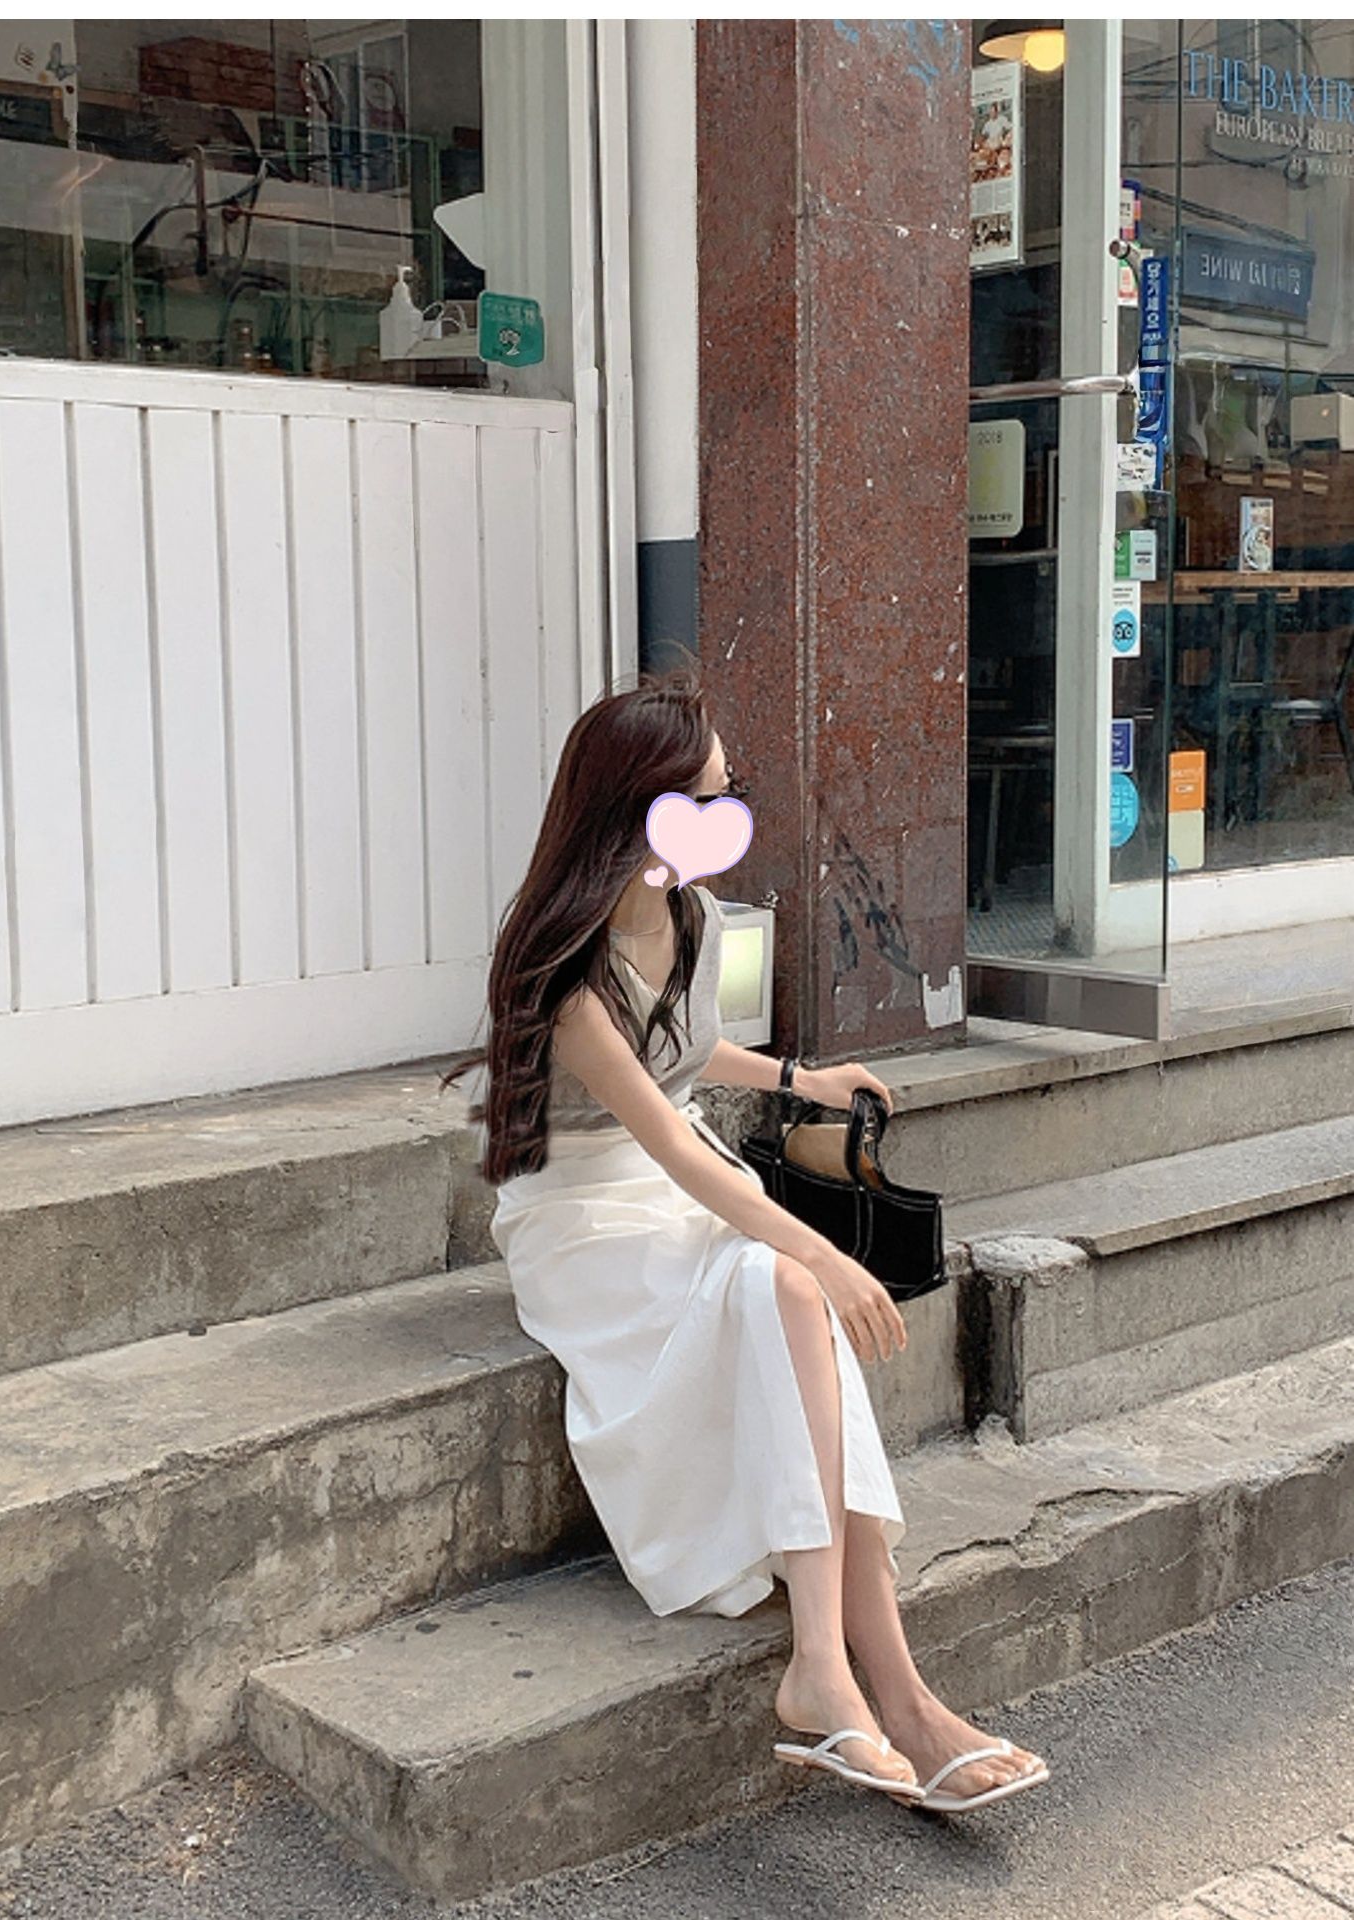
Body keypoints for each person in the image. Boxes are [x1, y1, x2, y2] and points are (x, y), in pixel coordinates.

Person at [439, 663, 1049, 1814]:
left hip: (674, 1189)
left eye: (730, 793)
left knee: (781, 1291)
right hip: (582, 1223)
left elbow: (683, 1047)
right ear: (638, 810)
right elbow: (670, 1142)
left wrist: (798, 1077)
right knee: (788, 1278)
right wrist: (824, 1251)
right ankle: (884, 1693)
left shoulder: (697, 917)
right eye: (706, 797)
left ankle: (859, 1679)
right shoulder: (564, 976)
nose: (727, 816)